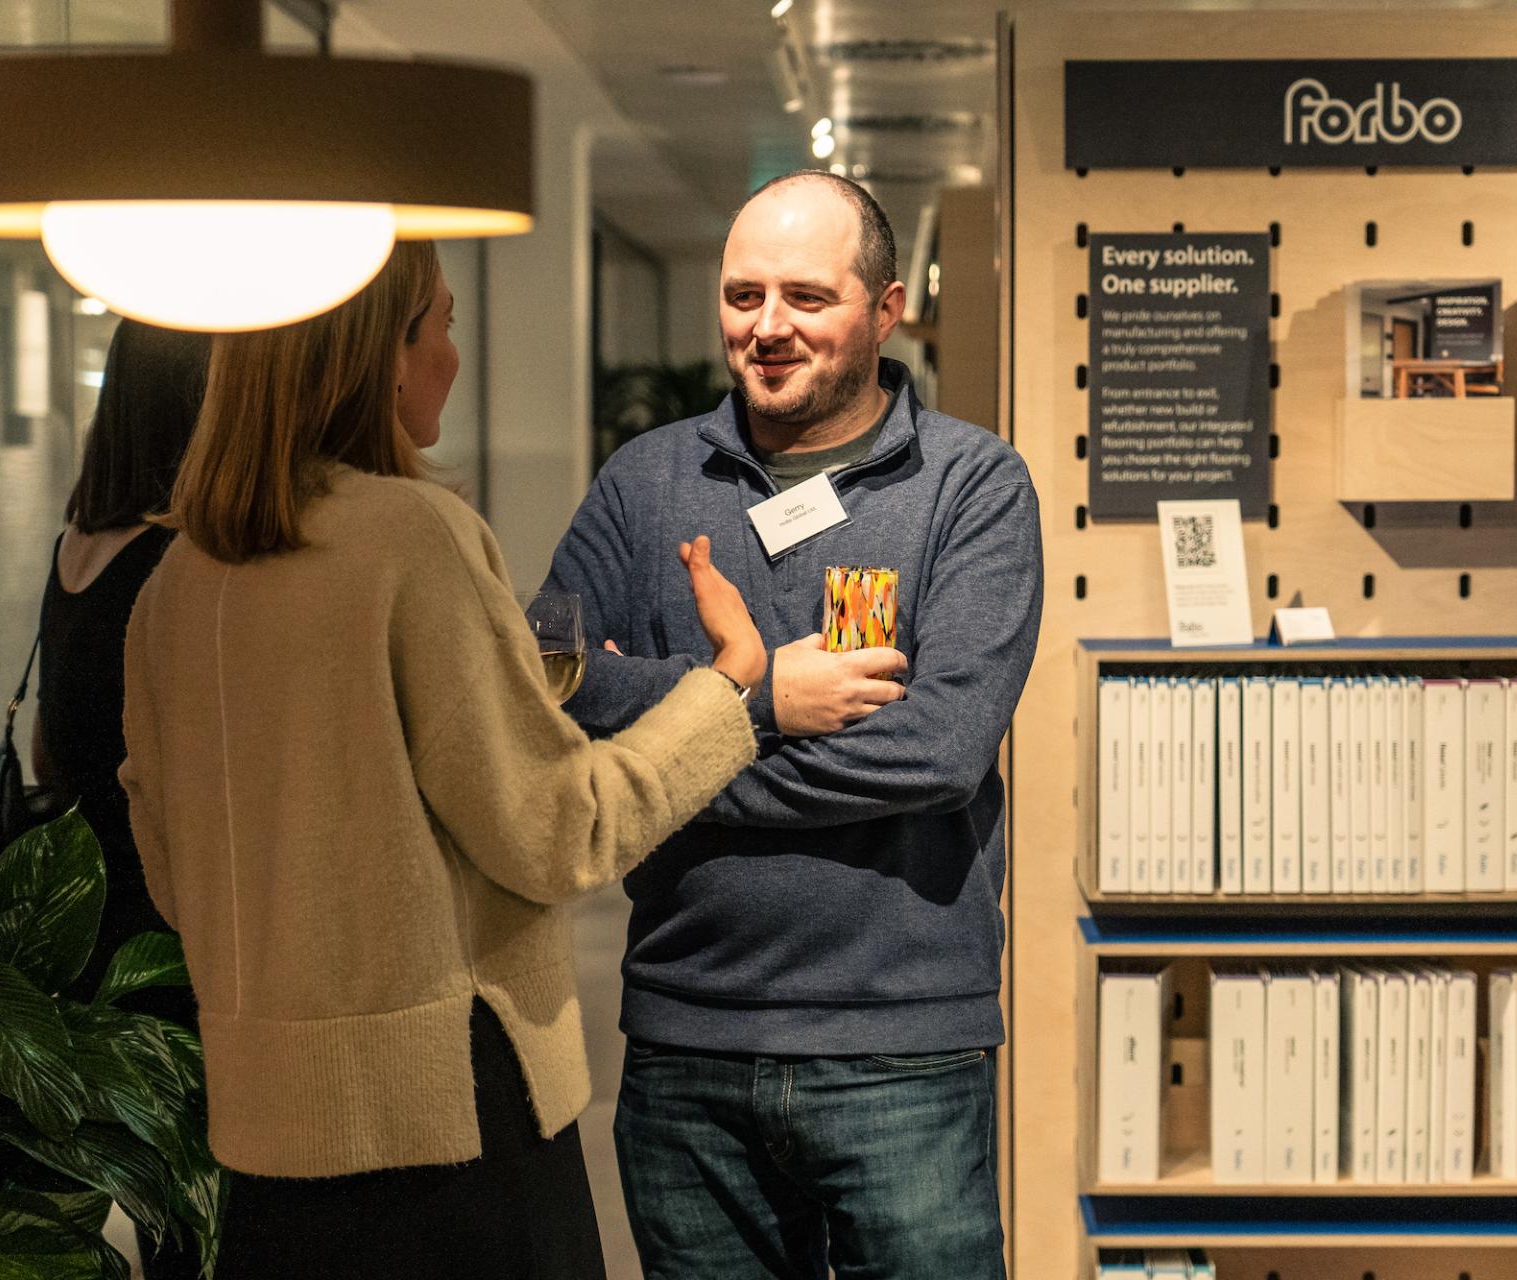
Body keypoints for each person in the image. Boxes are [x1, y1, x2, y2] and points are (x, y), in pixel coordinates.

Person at [118, 240, 767, 1280]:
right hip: (449, 1121)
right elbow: (560, 828)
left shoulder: (175, 583)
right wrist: (729, 686)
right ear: (380, 353)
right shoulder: (413, 538)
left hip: (262, 1137)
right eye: (443, 326)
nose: (453, 357)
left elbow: (172, 872)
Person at [535, 170, 1042, 1279]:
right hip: (684, 1041)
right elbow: (548, 683)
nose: (767, 328)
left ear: (886, 307)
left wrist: (661, 729)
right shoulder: (645, 481)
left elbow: (938, 751)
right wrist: (760, 702)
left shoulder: (974, 487)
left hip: (900, 1045)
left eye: (807, 297)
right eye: (742, 293)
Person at [31, 317, 209, 1280]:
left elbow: (48, 747)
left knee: (127, 1179)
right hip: (159, 919)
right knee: (190, 1201)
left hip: (80, 918)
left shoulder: (75, 549)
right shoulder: (179, 563)